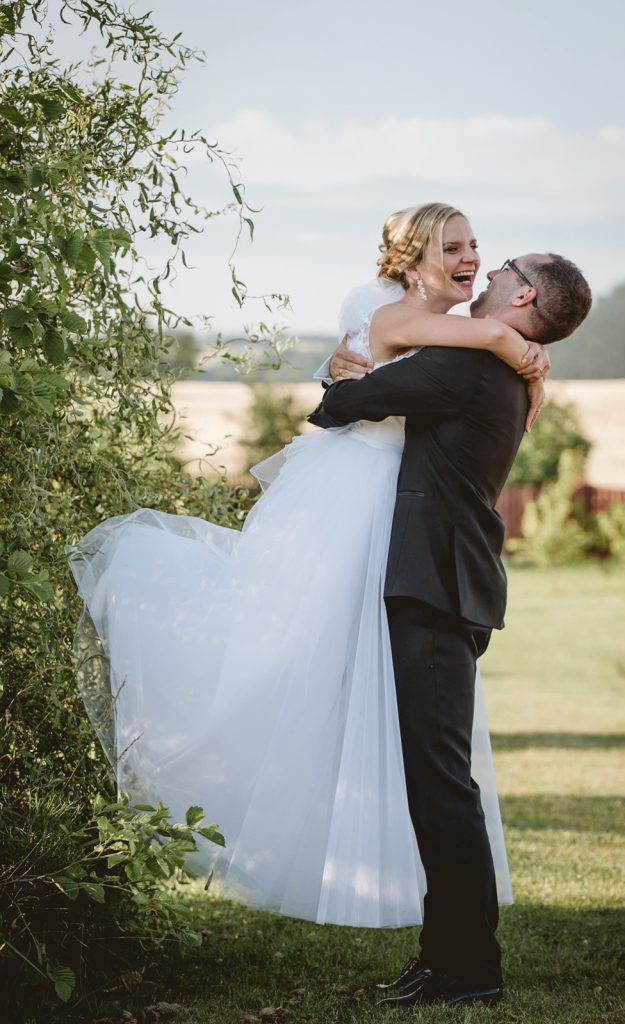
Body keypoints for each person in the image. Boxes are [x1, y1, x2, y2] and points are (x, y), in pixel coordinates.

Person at [66, 203, 545, 933]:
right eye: (455, 247)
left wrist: (506, 354)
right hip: (360, 503)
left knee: (392, 722)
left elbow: (383, 383)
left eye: (478, 246)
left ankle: (446, 939)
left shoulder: (464, 350)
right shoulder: (428, 325)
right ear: (412, 262)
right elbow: (375, 374)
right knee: (297, 662)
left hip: (405, 526)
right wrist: (517, 350)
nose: (472, 258)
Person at [308, 232, 592, 1007]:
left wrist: (341, 368)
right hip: (450, 585)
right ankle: (448, 957)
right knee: (439, 781)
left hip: (436, 588)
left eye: (506, 266)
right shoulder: (496, 365)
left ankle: (468, 966)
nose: (492, 268)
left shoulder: (471, 363)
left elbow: (340, 408)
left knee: (441, 784)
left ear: (524, 295)